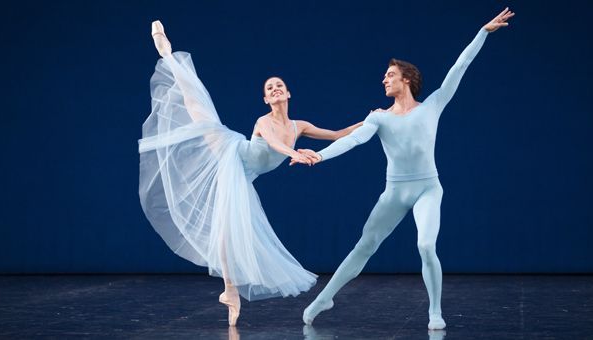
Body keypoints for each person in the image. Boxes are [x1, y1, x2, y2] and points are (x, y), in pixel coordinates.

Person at [292, 8, 515, 329]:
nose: (384, 78)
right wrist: (320, 155)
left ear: (406, 78)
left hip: (427, 187)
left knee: (426, 245)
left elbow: (460, 66)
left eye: (390, 74)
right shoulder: (378, 117)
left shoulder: (434, 105)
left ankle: (435, 312)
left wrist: (482, 31)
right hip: (395, 192)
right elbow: (352, 141)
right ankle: (325, 297)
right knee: (364, 246)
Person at [138, 21, 362, 326]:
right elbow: (272, 143)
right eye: (269, 88)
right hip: (231, 154)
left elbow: (337, 134)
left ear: (288, 93)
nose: (275, 89)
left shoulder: (299, 126)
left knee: (229, 229)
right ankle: (165, 50)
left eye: (279, 85)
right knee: (193, 97)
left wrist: (370, 122)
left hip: (245, 174)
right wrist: (295, 153)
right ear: (266, 100)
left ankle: (229, 291)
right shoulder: (263, 120)